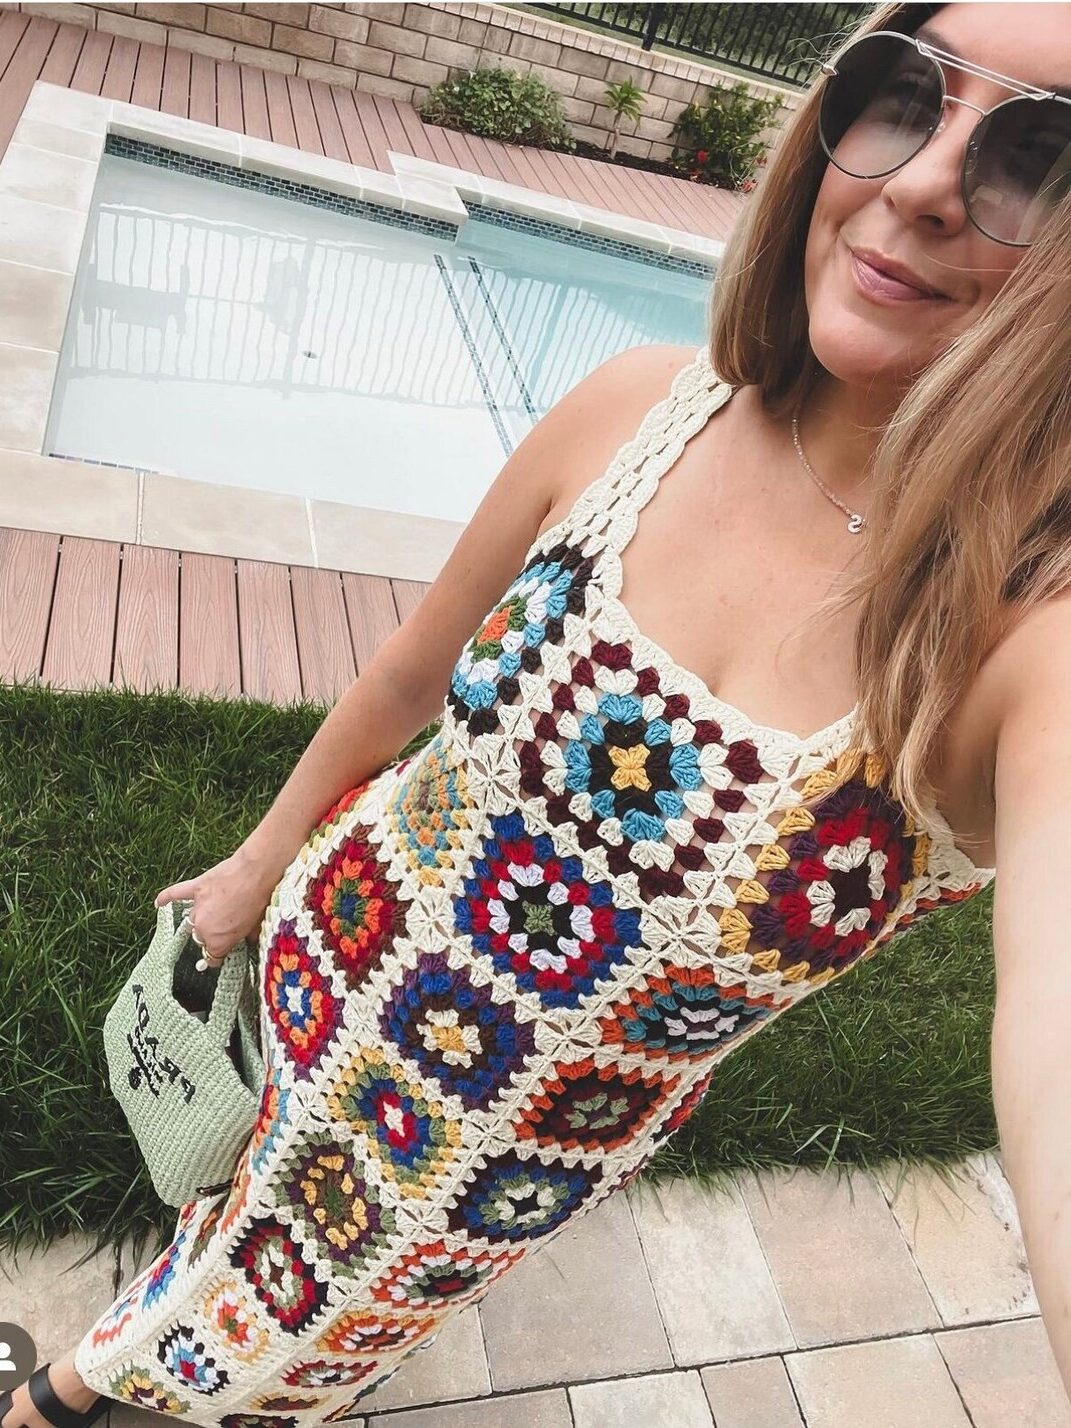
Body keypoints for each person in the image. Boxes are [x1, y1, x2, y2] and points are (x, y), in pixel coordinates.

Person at [4, 2, 1071, 1424]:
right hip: (329, 960)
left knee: (219, 1358)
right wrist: (257, 871)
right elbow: (404, 680)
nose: (930, 180)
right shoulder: (639, 408)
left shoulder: (1017, 644)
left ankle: (57, 1395)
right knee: (226, 1231)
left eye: (1039, 155)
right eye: (904, 97)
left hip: (463, 1173)